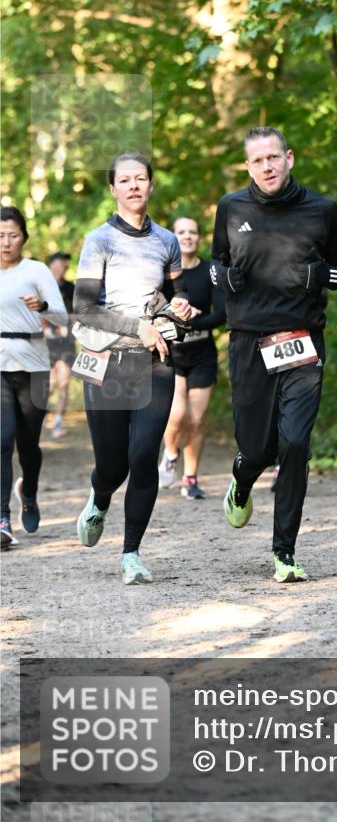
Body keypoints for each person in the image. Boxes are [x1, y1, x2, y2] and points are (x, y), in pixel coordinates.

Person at [211, 126, 337, 583]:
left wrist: (320, 277)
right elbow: (215, 265)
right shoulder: (231, 208)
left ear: (289, 158)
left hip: (303, 340)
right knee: (257, 447)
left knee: (295, 443)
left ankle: (285, 551)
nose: (267, 166)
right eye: (258, 160)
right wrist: (224, 279)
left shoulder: (322, 210)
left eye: (274, 157)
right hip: (249, 341)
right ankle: (243, 474)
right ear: (248, 166)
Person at [73, 152, 192, 585]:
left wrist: (178, 307)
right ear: (113, 189)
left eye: (141, 178)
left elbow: (174, 296)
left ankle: (131, 553)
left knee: (143, 455)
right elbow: (84, 309)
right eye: (125, 180)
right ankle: (100, 497)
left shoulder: (167, 241)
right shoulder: (98, 240)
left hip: (155, 362)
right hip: (106, 362)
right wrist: (137, 326)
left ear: (151, 184)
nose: (134, 186)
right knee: (113, 465)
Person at [0, 207, 67, 549]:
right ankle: (2, 519)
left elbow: (62, 315)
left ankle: (29, 492)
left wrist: (41, 307)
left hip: (35, 365)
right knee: (2, 441)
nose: (6, 242)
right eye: (0, 235)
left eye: (12, 235)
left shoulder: (36, 270)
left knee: (28, 446)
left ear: (23, 237)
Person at [158, 216, 226, 500]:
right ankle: (171, 453)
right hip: (171, 354)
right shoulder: (163, 273)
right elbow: (154, 314)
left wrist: (194, 321)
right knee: (176, 416)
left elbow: (220, 316)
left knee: (197, 420)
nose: (187, 236)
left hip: (202, 355)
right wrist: (184, 319)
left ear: (199, 238)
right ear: (173, 238)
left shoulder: (210, 270)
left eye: (193, 232)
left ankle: (190, 478)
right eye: (181, 232)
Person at [45, 252, 76, 439]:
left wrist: (66, 325)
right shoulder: (42, 287)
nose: (64, 265)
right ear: (53, 264)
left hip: (66, 343)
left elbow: (76, 314)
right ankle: (42, 416)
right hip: (46, 343)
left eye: (65, 262)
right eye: (61, 262)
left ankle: (58, 421)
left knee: (63, 383)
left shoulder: (71, 288)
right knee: (49, 384)